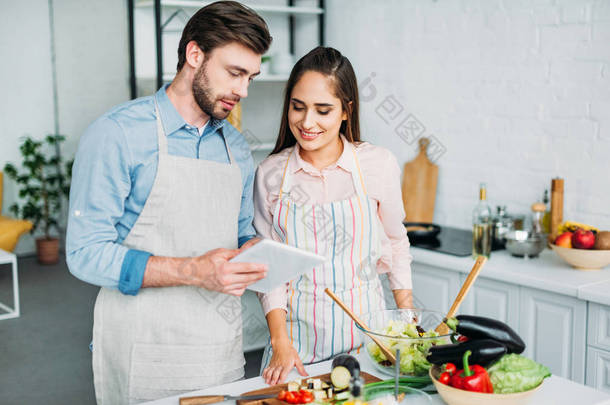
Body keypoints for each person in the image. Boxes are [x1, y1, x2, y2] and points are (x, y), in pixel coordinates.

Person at [65, 2, 272, 403]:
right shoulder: (116, 135)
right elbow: (85, 253)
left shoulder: (236, 147)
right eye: (235, 73)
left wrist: (252, 247)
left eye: (251, 77)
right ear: (194, 55)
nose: (243, 91)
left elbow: (241, 229)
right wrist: (191, 270)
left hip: (218, 347)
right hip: (143, 345)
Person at [253, 46, 415, 385]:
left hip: (368, 348)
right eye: (297, 107)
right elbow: (269, 271)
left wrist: (407, 322)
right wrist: (281, 344)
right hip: (296, 352)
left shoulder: (377, 165)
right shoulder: (270, 173)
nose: (306, 122)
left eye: (322, 110)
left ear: (346, 111)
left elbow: (397, 245)